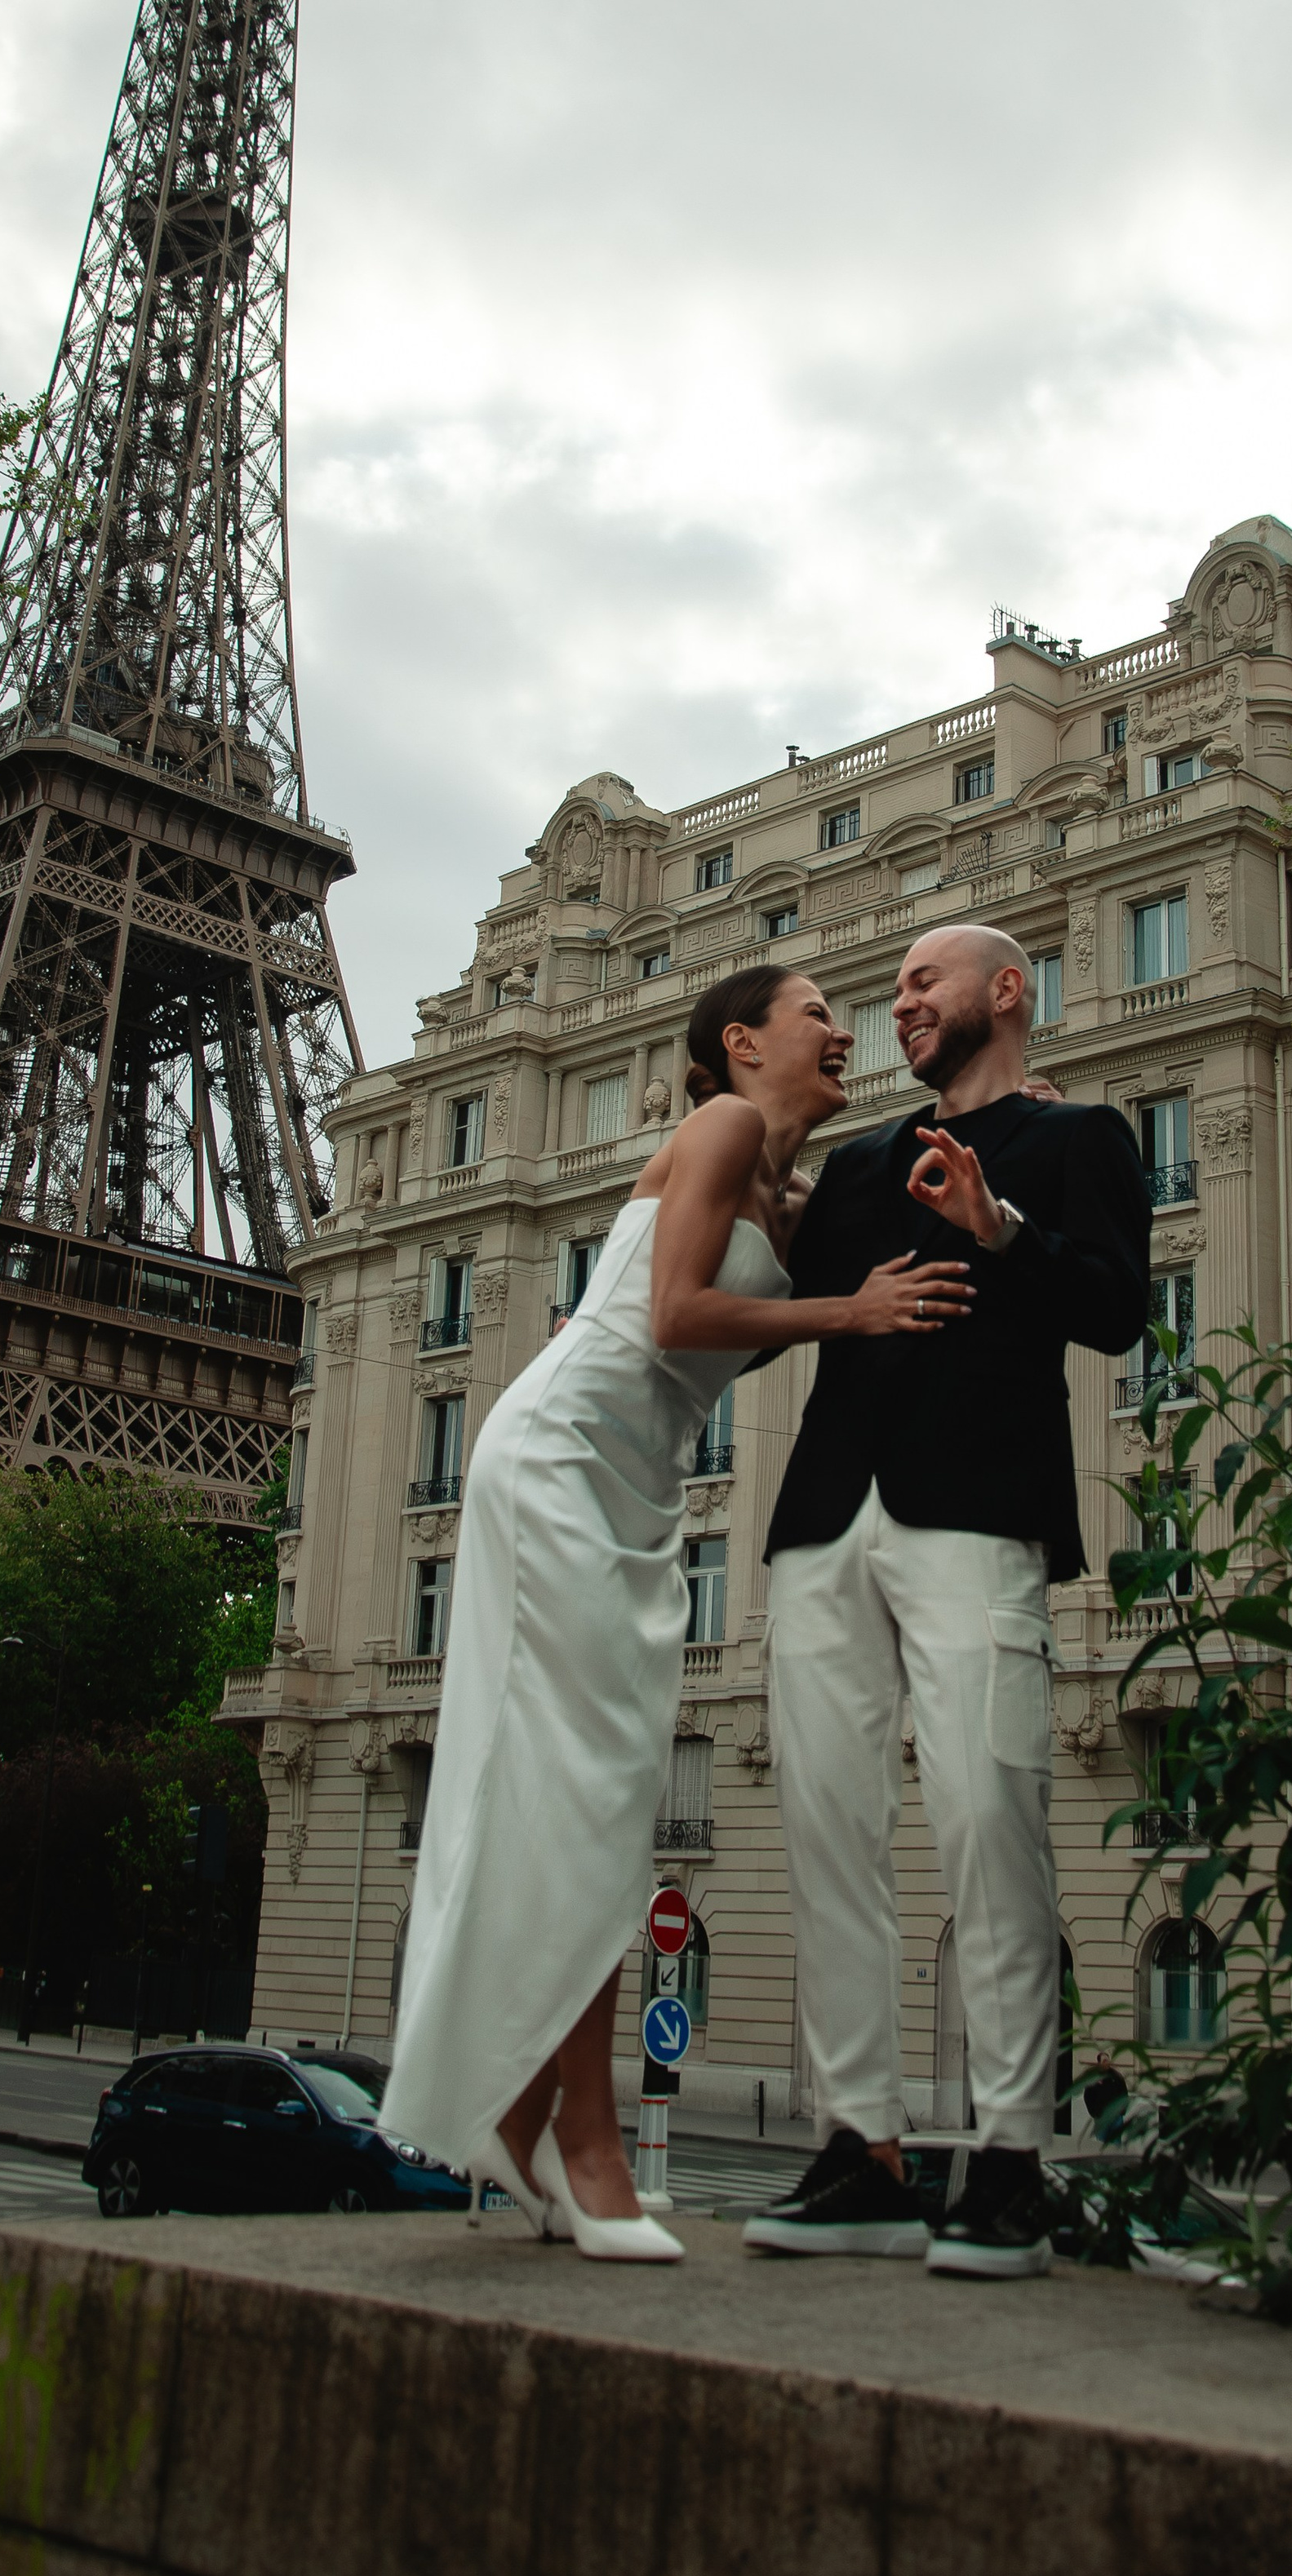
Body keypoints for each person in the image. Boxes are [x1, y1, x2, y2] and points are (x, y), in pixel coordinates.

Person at [377, 964, 978, 2262]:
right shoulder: (718, 1129)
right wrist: (852, 1312)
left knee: (595, 1798)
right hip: (561, 1467)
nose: (840, 1028)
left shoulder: (788, 1193)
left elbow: (764, 1297)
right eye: (814, 1011)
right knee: (590, 1799)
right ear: (741, 1042)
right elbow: (673, 1314)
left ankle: (520, 2115)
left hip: (636, 1492)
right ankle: (584, 2140)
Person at [744, 923, 1151, 2280]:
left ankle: (1012, 2161)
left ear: (1009, 991)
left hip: (978, 1512)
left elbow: (1116, 1311)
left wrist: (999, 1227)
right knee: (827, 1836)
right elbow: (781, 1295)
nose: (903, 999)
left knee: (991, 1824)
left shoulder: (1080, 1137)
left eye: (928, 979)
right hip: (823, 1521)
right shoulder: (864, 1161)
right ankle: (861, 2149)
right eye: (897, 987)